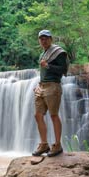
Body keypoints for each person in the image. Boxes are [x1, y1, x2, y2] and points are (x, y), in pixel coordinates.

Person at [32, 29, 68, 157]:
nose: (44, 40)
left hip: (53, 86)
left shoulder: (58, 52)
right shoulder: (43, 54)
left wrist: (48, 66)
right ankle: (44, 144)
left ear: (51, 39)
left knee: (53, 115)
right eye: (41, 38)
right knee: (38, 115)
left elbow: (63, 70)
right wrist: (38, 84)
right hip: (41, 87)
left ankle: (57, 145)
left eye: (46, 38)